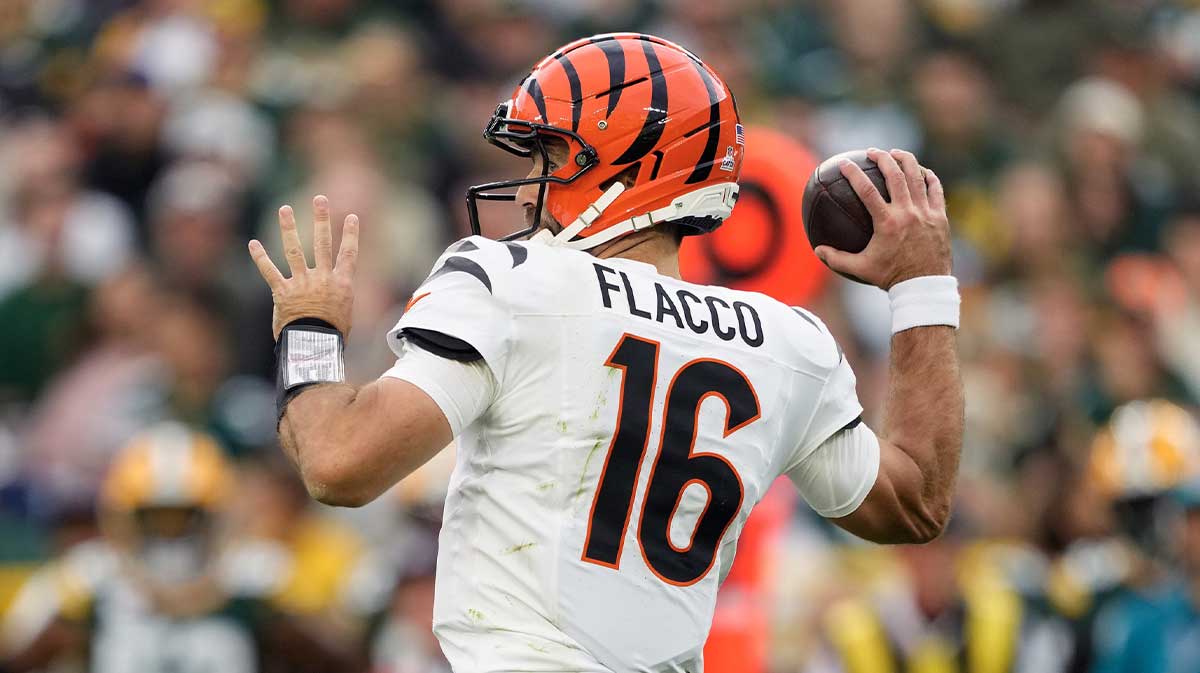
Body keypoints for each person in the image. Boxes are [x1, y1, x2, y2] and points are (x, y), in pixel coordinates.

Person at [248, 32, 963, 673]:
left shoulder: (514, 280)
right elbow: (914, 501)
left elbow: (340, 462)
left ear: (630, 169)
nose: (531, 183)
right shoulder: (787, 341)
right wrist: (923, 287)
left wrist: (307, 329)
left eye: (551, 156)